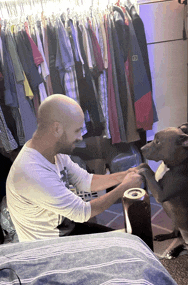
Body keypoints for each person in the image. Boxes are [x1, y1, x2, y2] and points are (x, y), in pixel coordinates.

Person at [6, 94, 143, 242]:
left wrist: (123, 176)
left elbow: (85, 181)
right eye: (77, 130)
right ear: (57, 129)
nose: (80, 138)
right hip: (49, 248)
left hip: (66, 230)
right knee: (125, 245)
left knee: (128, 241)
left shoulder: (54, 153)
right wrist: (123, 188)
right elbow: (82, 212)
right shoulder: (30, 171)